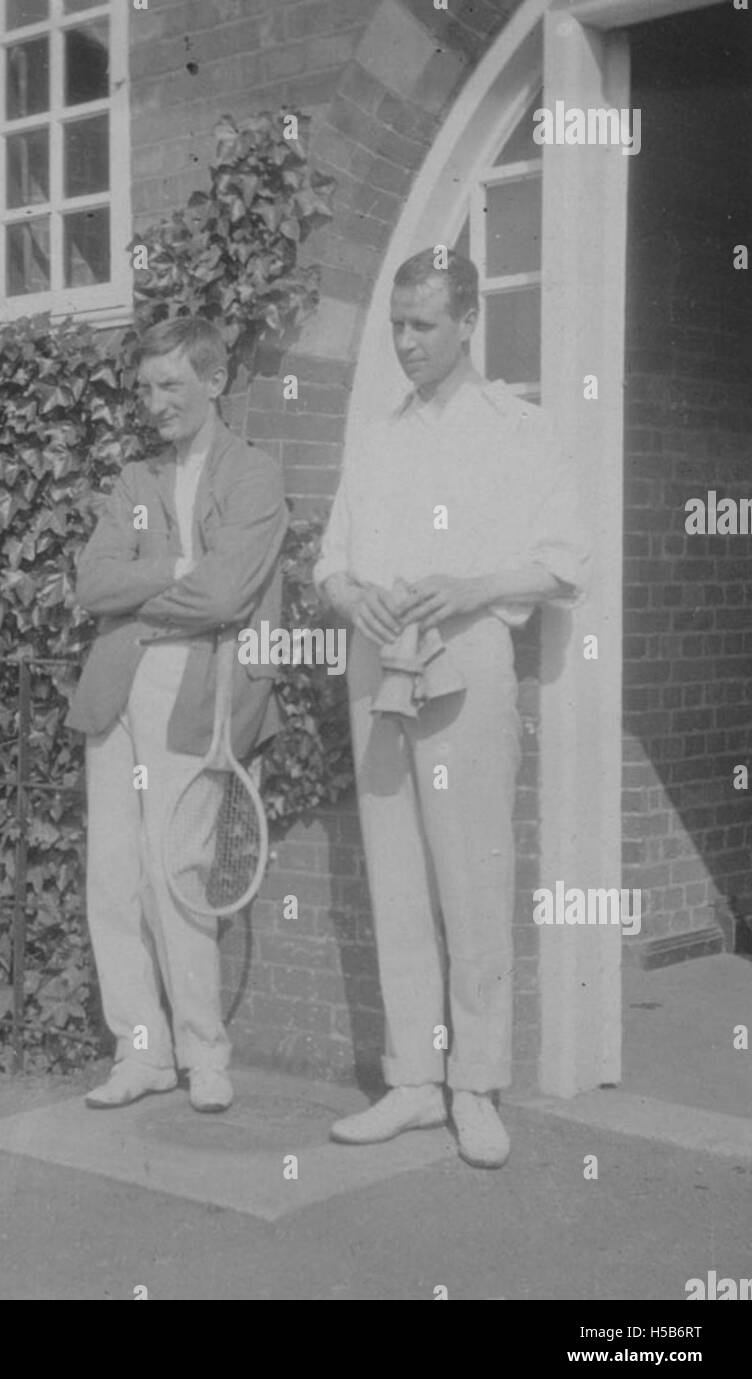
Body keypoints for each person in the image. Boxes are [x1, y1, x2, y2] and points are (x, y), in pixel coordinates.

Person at [314, 248, 590, 1167]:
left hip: (469, 662)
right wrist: (353, 598)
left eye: (423, 325)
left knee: (472, 881)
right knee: (396, 877)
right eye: (397, 324)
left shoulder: (521, 430)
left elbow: (561, 564)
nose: (406, 342)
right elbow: (331, 563)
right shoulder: (377, 432)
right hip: (377, 665)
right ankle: (414, 1084)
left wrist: (470, 586)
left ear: (469, 322)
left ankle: (475, 1086)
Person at [66, 317, 287, 1114]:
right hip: (118, 693)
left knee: (177, 876)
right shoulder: (135, 480)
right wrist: (181, 570)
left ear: (215, 382)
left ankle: (203, 1053)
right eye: (145, 388)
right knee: (113, 881)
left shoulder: (253, 475)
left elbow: (230, 594)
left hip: (199, 697)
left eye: (171, 385)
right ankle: (141, 1052)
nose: (153, 402)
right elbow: (93, 583)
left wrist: (148, 598)